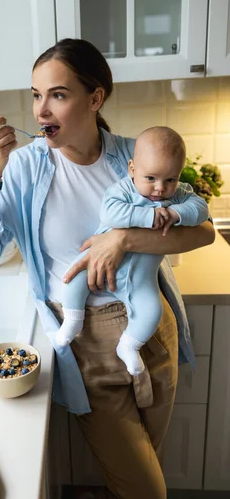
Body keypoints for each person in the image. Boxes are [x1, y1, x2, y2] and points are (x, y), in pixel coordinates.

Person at [0, 38, 215, 499]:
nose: (40, 109)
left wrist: (123, 238)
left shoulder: (133, 157)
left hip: (149, 329)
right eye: (35, 95)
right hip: (84, 344)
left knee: (141, 473)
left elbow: (202, 231)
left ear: (95, 99)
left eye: (57, 94)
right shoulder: (27, 167)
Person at [57, 126, 209, 378]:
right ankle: (72, 321)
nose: (160, 188)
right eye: (151, 178)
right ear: (132, 169)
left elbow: (201, 210)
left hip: (141, 280)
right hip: (100, 263)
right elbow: (110, 213)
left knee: (152, 311)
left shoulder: (180, 196)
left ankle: (128, 345)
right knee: (73, 281)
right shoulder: (123, 189)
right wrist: (148, 216)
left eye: (170, 179)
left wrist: (176, 214)